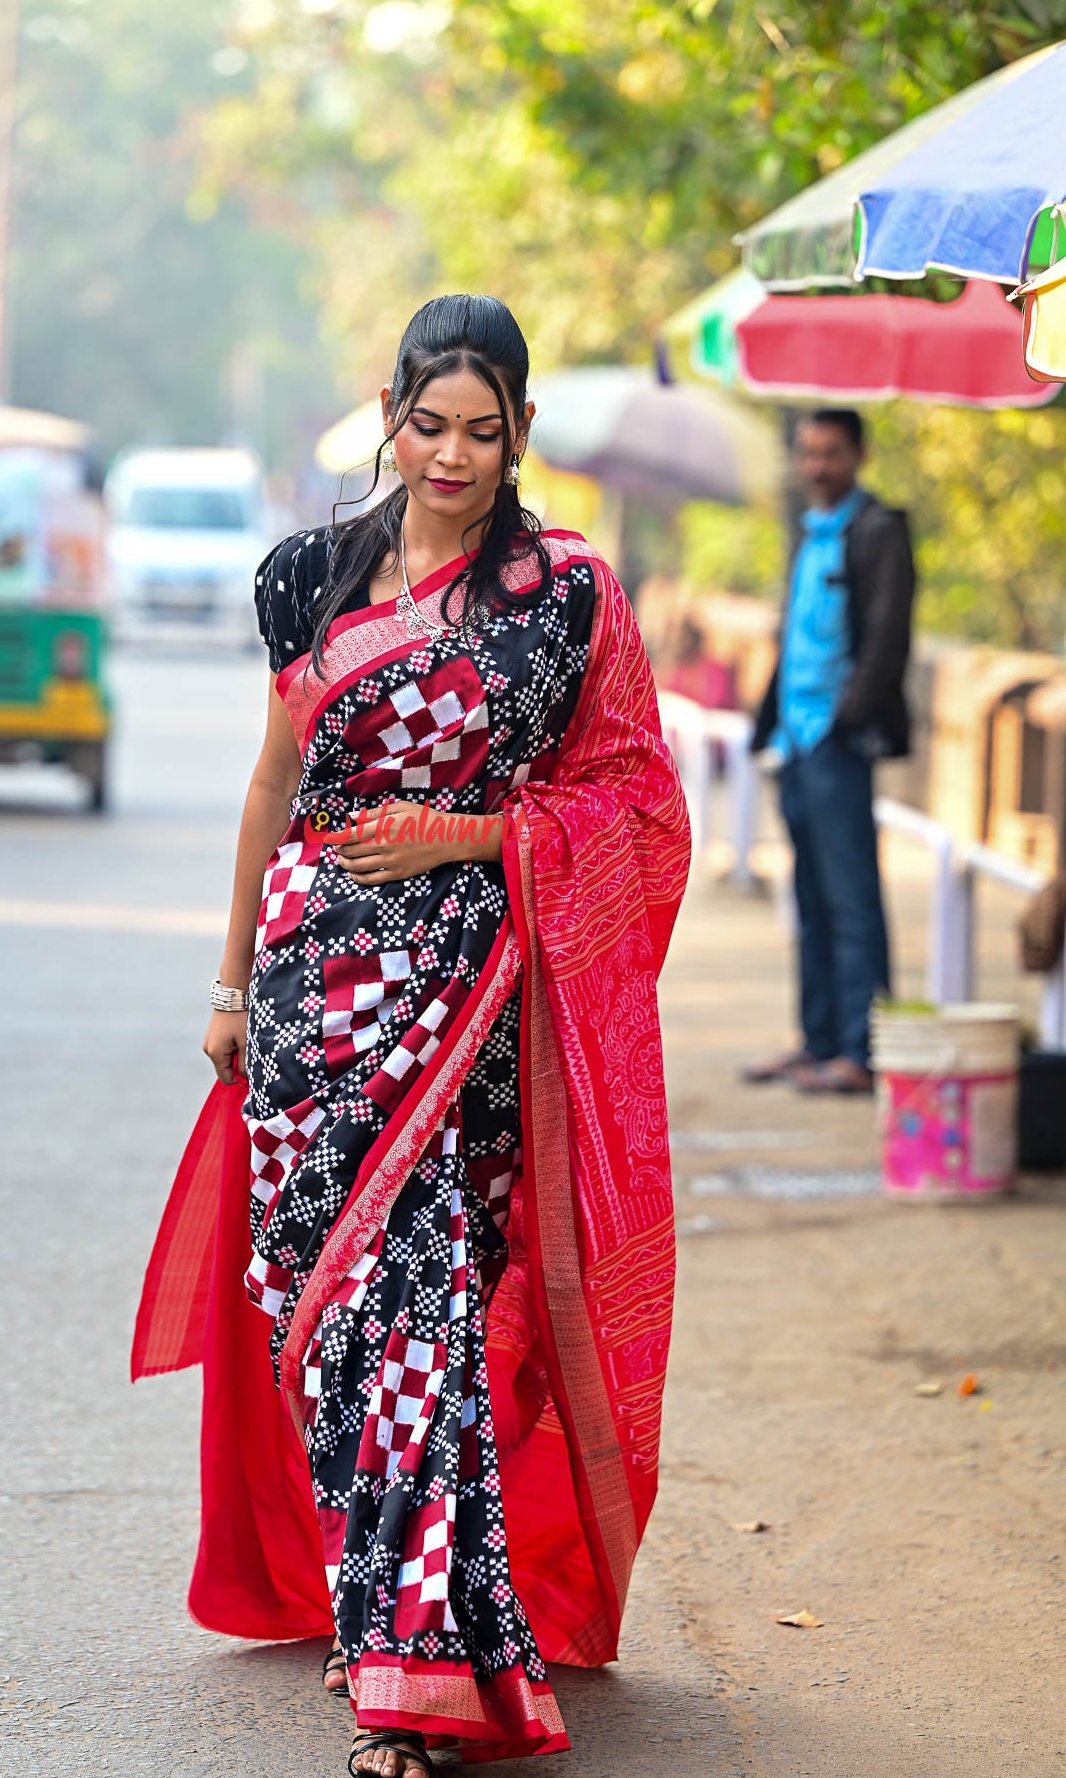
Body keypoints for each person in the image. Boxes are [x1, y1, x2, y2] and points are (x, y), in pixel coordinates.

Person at [133, 295, 690, 1774]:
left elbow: (635, 803)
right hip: (316, 999)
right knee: (318, 1320)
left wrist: (463, 834)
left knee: (425, 1324)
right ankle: (375, 1599)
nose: (453, 455)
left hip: (473, 995)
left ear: (521, 435)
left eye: (484, 430)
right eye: (430, 423)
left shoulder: (561, 597)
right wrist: (230, 983)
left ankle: (413, 1678)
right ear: (392, 411)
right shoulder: (308, 576)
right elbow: (271, 786)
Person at [746, 409, 914, 1096]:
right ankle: (816, 1039)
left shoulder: (877, 530)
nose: (817, 466)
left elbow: (885, 640)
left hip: (836, 741)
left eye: (831, 454)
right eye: (809, 454)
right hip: (794, 738)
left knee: (851, 901)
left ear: (857, 455)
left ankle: (860, 1049)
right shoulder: (809, 531)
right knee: (809, 898)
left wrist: (843, 722)